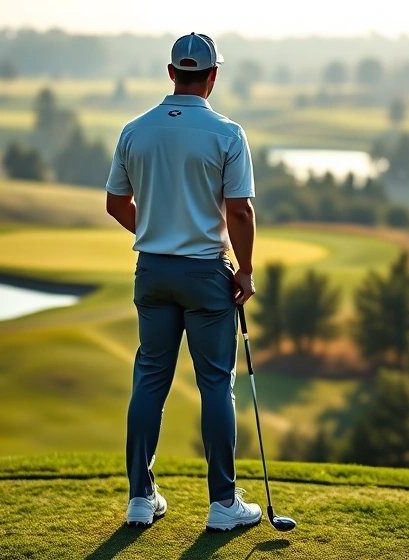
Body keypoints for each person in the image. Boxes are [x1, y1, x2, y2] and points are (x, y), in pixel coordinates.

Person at [105, 32, 261, 531]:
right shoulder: (227, 134)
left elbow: (115, 204)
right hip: (204, 272)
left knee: (150, 379)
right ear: (213, 76)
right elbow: (239, 209)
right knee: (215, 383)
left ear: (171, 73)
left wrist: (155, 231)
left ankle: (139, 498)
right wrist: (247, 269)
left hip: (151, 270)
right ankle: (222, 505)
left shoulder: (134, 130)